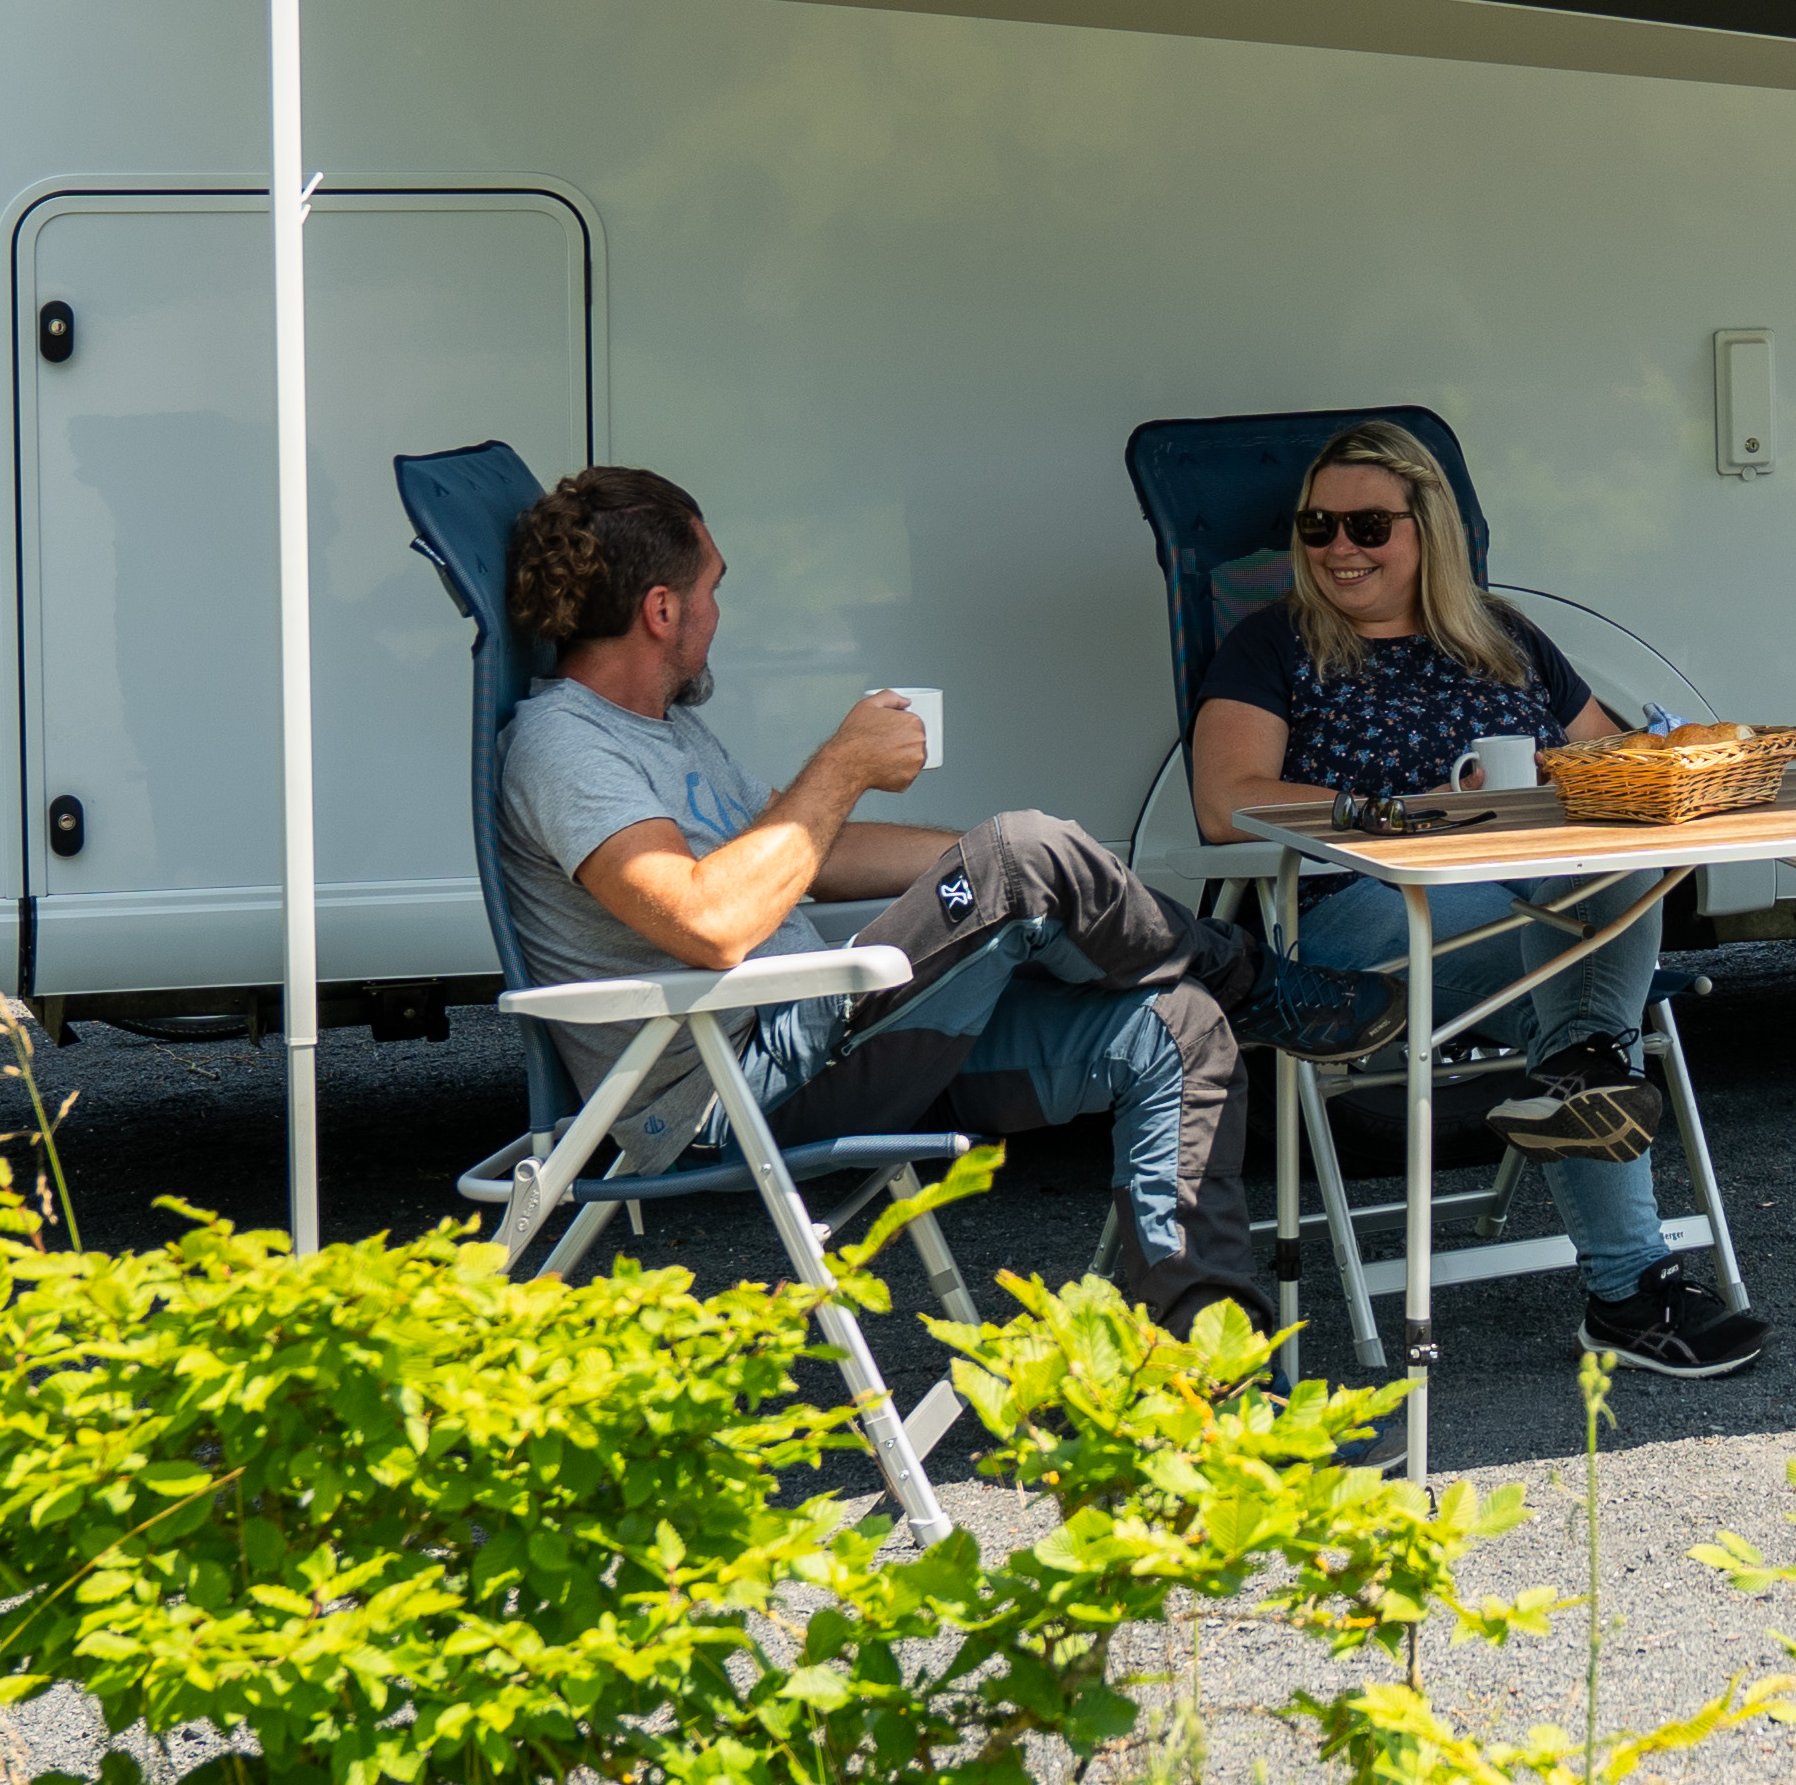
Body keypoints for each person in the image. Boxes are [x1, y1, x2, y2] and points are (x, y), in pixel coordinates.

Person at [499, 459, 1376, 1323]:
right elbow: (709, 920)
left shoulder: (668, 731)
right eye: (712, 589)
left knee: (1177, 1029)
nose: (718, 614)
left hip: (821, 1039)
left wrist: (992, 867)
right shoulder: (566, 750)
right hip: (734, 1081)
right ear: (661, 610)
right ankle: (1258, 981)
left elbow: (805, 855)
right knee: (1025, 856)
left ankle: (1206, 1362)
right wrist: (855, 771)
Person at [1189, 422, 1769, 1378]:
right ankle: (1628, 1282)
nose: (1339, 547)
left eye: (1369, 525)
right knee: (1580, 981)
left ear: (1430, 529)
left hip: (1534, 907)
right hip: (1364, 919)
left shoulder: (1506, 639)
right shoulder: (1274, 646)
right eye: (1318, 525)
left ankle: (1582, 1081)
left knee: (1619, 874)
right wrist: (1397, 811)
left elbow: (1615, 764)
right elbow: (1226, 800)